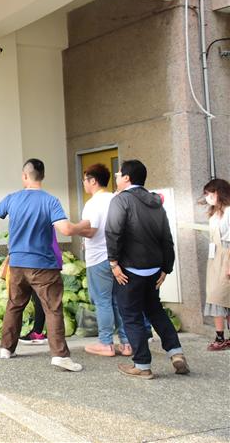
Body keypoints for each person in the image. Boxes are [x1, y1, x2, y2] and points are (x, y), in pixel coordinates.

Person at [0, 158, 84, 372]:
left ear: (25, 176)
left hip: (17, 264)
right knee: (53, 309)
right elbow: (65, 230)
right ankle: (59, 356)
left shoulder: (12, 198)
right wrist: (84, 226)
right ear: (42, 176)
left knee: (14, 305)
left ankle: (6, 349)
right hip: (43, 265)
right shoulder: (50, 201)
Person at [105, 159, 188, 378]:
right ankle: (176, 353)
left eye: (118, 174)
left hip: (129, 271)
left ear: (127, 178)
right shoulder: (155, 202)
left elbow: (113, 232)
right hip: (153, 270)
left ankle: (142, 365)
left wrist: (113, 263)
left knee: (131, 315)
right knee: (155, 310)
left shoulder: (121, 201)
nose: (116, 177)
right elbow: (166, 238)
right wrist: (166, 268)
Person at [77, 163, 131, 357]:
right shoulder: (116, 198)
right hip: (118, 258)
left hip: (98, 258)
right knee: (118, 301)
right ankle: (126, 343)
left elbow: (92, 230)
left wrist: (74, 229)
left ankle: (106, 343)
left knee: (103, 301)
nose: (84, 183)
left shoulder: (93, 203)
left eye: (85, 180)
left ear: (93, 181)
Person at [17, 229, 63, 346]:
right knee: (47, 300)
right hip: (49, 259)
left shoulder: (38, 220)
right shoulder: (46, 215)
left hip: (43, 261)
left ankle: (39, 333)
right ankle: (50, 334)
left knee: (42, 299)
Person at [200, 178, 230, 351]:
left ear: (219, 193)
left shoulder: (228, 212)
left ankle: (221, 338)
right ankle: (220, 336)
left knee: (222, 295)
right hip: (215, 258)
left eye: (210, 193)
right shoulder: (214, 213)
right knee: (215, 296)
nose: (208, 197)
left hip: (225, 257)